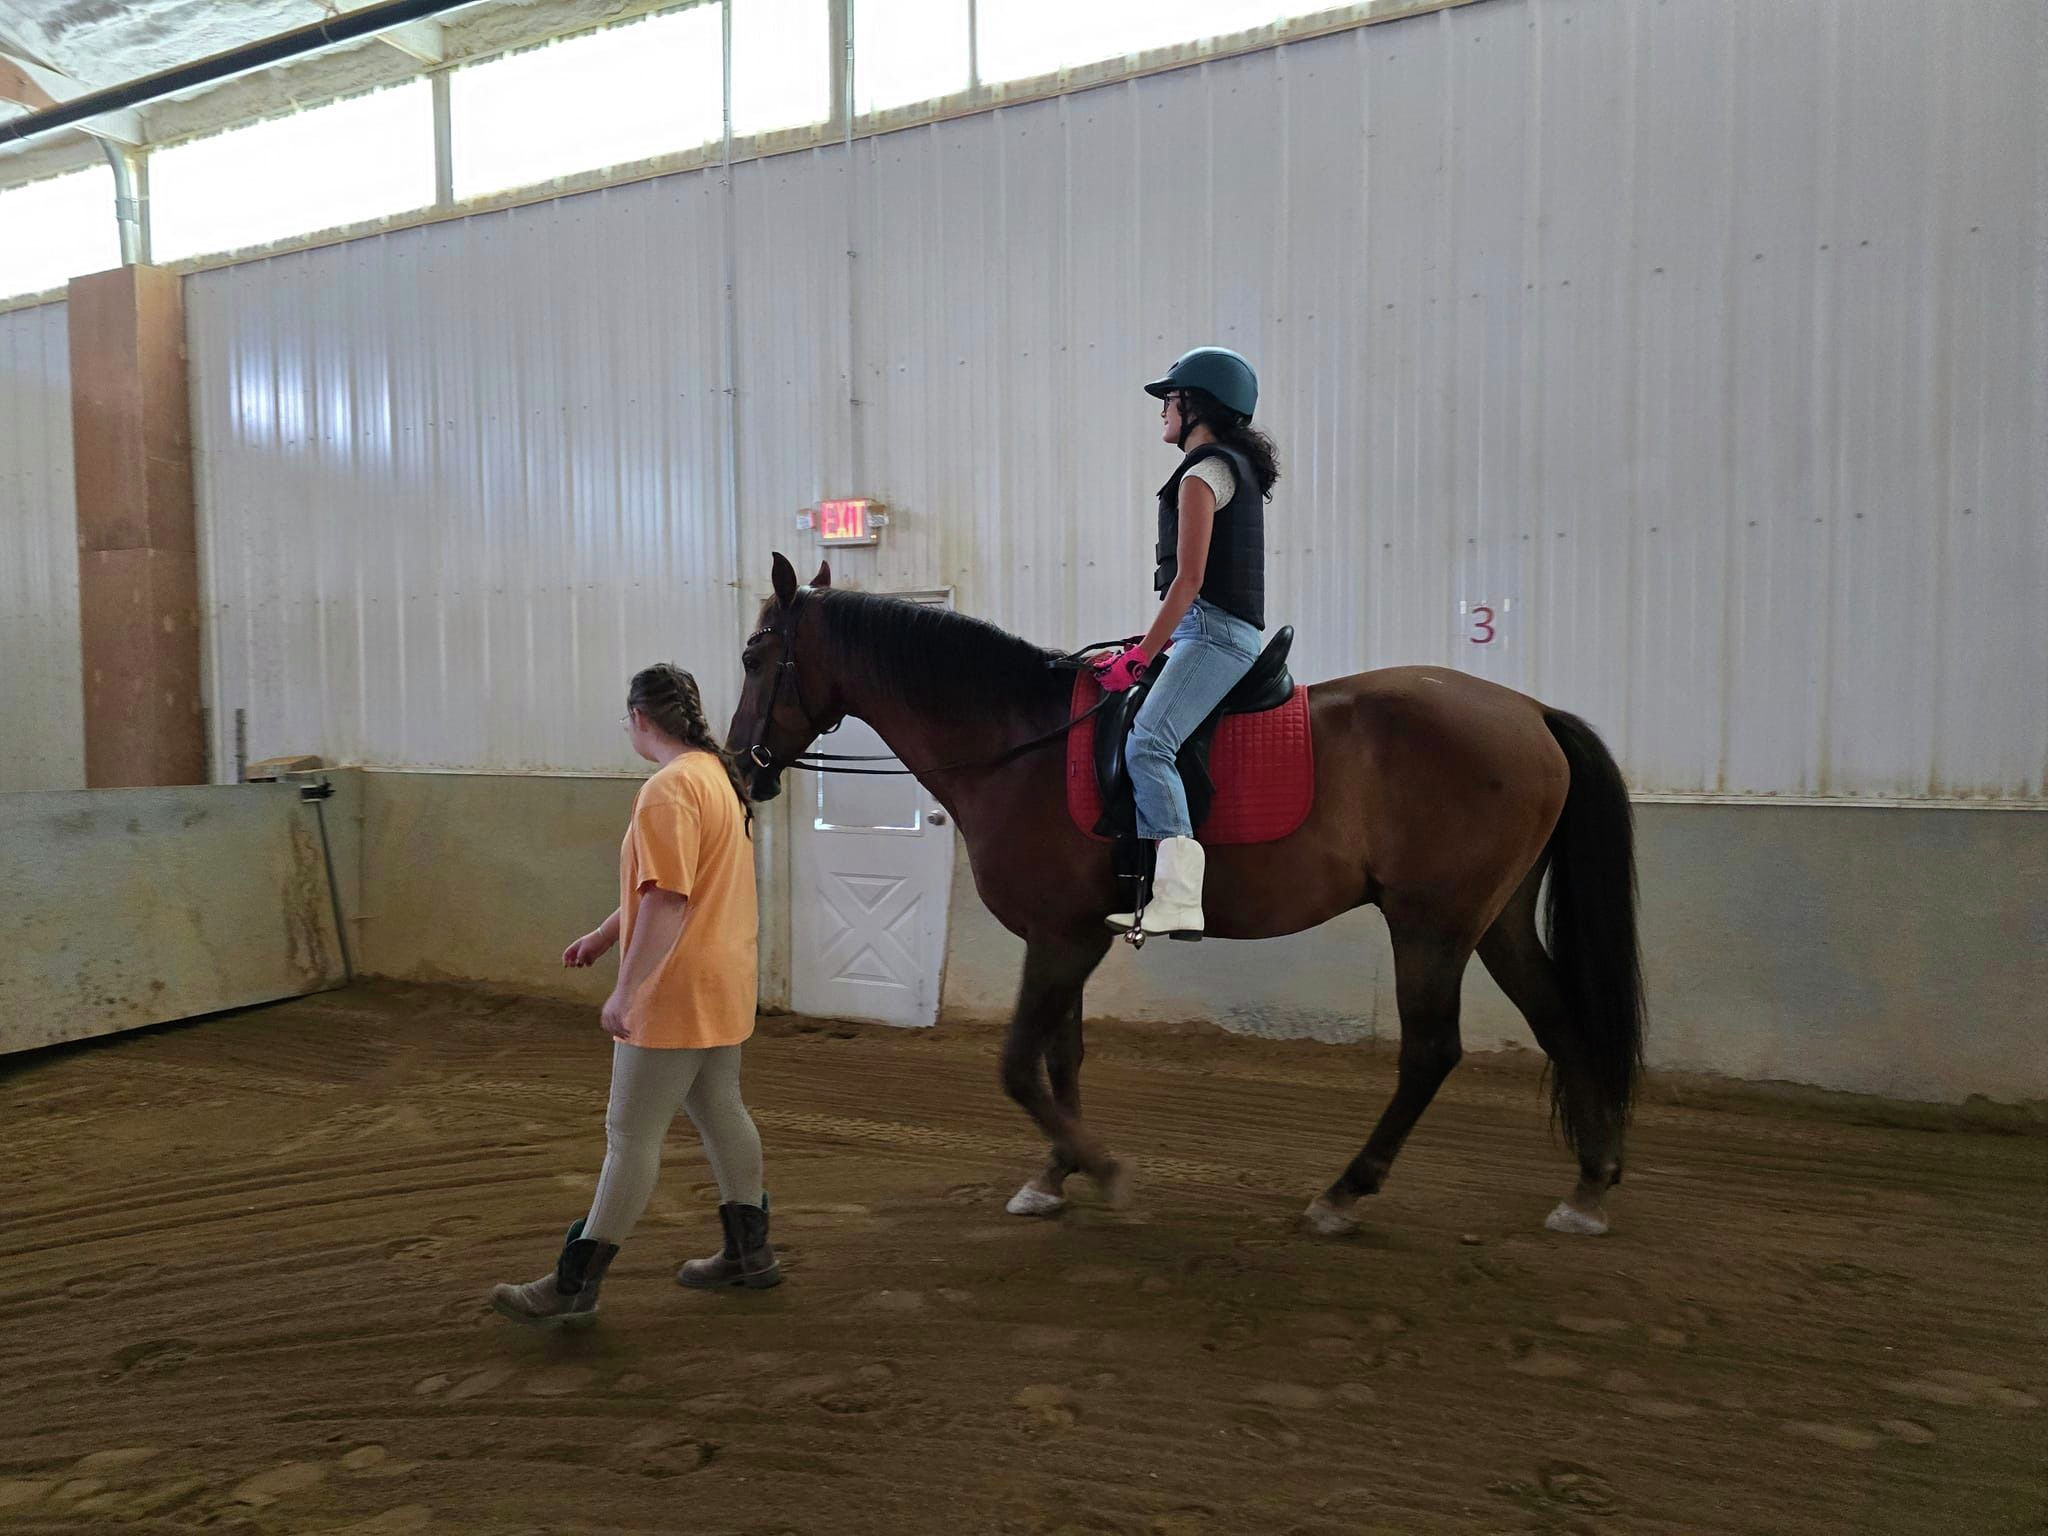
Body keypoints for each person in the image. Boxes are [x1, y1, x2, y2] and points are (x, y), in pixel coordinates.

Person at [490, 663, 777, 1328]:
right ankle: (749, 1253)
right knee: (721, 1108)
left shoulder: (667, 790)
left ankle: (575, 1282)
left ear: (641, 720)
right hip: (723, 980)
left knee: (629, 1137)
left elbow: (670, 902)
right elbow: (665, 889)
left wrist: (626, 989)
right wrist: (602, 933)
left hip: (674, 990)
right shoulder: (715, 777)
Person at [1094, 346, 1281, 938]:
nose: (1162, 412)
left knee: (1148, 743)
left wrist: (1141, 656)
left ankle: (1178, 897)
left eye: (1169, 400)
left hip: (1217, 637)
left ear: (1196, 404)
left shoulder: (1201, 475)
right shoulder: (1227, 467)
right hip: (1211, 629)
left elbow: (1190, 581)